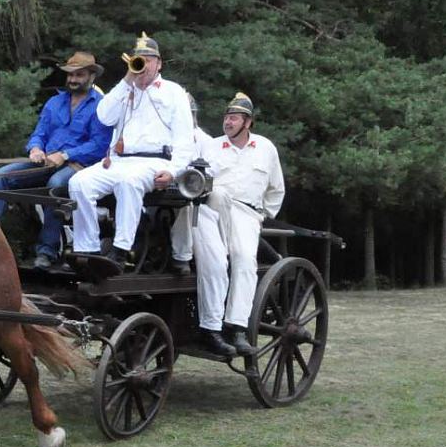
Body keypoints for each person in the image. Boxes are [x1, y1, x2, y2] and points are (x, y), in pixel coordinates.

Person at [68, 32, 196, 272]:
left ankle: (120, 250)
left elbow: (185, 139)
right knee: (79, 183)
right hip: (119, 161)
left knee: (129, 182)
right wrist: (128, 79)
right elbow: (104, 117)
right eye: (138, 59)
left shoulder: (173, 91)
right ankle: (88, 249)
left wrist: (173, 170)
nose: (143, 64)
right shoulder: (126, 89)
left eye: (148, 59)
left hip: (155, 161)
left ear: (159, 63)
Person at [0, 51, 113, 269]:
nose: (73, 80)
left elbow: (98, 146)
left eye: (79, 75)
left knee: (55, 186)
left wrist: (65, 155)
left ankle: (47, 251)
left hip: (80, 166)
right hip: (46, 163)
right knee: (1, 177)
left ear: (92, 76)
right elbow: (40, 133)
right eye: (70, 75)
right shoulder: (54, 102)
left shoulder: (102, 105)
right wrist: (35, 148)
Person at [193, 92, 285, 358]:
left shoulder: (266, 148)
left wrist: (261, 215)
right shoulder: (211, 146)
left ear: (248, 122)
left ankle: (237, 327)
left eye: (234, 118)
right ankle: (213, 320)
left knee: (245, 259)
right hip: (214, 209)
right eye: (226, 117)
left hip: (246, 213)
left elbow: (276, 189)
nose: (228, 122)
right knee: (218, 198)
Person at [168, 92, 211, 276]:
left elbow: (210, 174)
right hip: (163, 188)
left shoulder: (205, 141)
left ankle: (182, 256)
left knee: (186, 206)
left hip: (193, 196)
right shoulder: (164, 136)